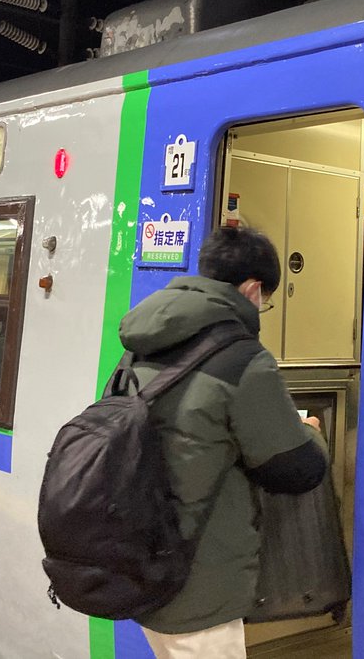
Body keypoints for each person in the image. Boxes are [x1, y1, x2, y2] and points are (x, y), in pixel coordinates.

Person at [118, 225, 327, 659]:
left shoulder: (141, 344)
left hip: (141, 557)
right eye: (267, 301)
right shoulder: (242, 359)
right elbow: (296, 469)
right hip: (199, 580)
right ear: (252, 290)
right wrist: (309, 432)